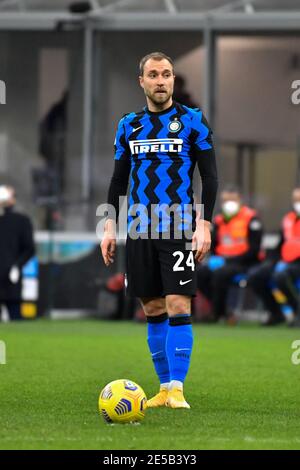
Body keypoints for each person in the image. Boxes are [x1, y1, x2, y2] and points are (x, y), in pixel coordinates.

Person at [101, 52, 218, 409]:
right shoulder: (128, 125)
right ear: (142, 81)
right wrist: (109, 225)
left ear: (172, 80)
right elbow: (118, 180)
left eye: (166, 74)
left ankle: (178, 390)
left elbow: (209, 177)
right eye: (153, 75)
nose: (161, 80)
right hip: (138, 228)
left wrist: (205, 223)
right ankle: (164, 388)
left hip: (179, 226)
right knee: (152, 308)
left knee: (178, 302)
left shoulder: (193, 121)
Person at [197, 186, 263, 323]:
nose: (228, 203)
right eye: (225, 200)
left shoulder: (251, 219)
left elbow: (254, 250)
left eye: (232, 200)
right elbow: (213, 244)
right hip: (222, 261)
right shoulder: (219, 220)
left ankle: (216, 314)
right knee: (199, 273)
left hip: (244, 263)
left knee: (220, 275)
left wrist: (228, 261)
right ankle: (224, 311)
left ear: (240, 200)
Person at [247, 187, 300, 326]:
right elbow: (281, 243)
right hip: (285, 261)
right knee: (255, 276)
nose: (297, 203)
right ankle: (276, 313)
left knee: (281, 276)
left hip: (296, 264)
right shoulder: (289, 219)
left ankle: (297, 312)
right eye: (295, 200)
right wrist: (271, 261)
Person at [0, 185, 35, 320]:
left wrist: (17, 266)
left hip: (10, 279)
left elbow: (29, 248)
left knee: (15, 316)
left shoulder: (21, 221)